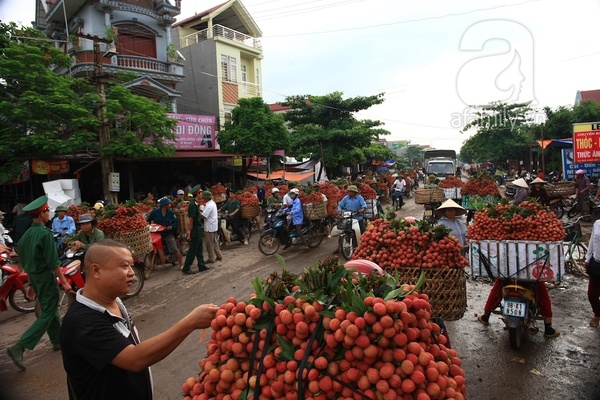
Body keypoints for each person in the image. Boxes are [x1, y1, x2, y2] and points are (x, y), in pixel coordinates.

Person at [60, 240, 218, 399]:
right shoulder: (83, 321)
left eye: (131, 265)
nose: (132, 273)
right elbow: (135, 359)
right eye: (123, 266)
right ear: (96, 271)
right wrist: (191, 322)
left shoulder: (114, 301)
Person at [5, 196, 72, 371]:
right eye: (47, 211)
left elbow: (26, 261)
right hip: (45, 276)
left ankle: (57, 341)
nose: (49, 213)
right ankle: (19, 347)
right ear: (42, 214)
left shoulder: (26, 235)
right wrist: (64, 282)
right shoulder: (44, 234)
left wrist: (31, 284)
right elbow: (53, 263)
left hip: (34, 276)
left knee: (51, 308)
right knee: (48, 312)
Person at [477, 278, 560, 337]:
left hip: (507, 275)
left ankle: (486, 316)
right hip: (529, 277)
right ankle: (548, 327)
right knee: (543, 295)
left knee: (496, 290)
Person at [146, 197, 184, 268]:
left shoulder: (171, 213)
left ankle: (181, 264)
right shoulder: (155, 212)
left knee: (174, 249)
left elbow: (176, 222)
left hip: (167, 233)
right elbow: (148, 219)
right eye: (168, 204)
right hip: (157, 234)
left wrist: (171, 226)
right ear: (164, 205)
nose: (170, 205)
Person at [182, 185, 208, 274]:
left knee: (199, 248)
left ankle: (201, 265)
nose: (202, 194)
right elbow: (191, 219)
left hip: (198, 228)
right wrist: (189, 231)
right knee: (193, 249)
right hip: (195, 229)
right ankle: (186, 267)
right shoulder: (193, 205)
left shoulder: (196, 203)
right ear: (198, 194)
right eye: (201, 193)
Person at [333, 185, 367, 254]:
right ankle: (338, 247)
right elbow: (340, 205)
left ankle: (365, 246)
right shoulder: (346, 198)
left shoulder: (359, 198)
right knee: (343, 232)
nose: (349, 192)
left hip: (358, 217)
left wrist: (360, 210)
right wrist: (339, 211)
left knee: (363, 232)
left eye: (350, 191)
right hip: (348, 217)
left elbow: (364, 206)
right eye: (348, 191)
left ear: (354, 192)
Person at [585, 219, 600, 327]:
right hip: (596, 264)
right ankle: (598, 314)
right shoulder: (597, 223)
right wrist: (588, 258)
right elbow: (592, 241)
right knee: (592, 294)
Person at [201, 191, 222, 264]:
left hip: (209, 227)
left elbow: (204, 215)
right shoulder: (212, 203)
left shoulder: (209, 205)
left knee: (209, 243)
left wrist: (197, 214)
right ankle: (219, 255)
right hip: (213, 225)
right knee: (214, 241)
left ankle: (211, 258)